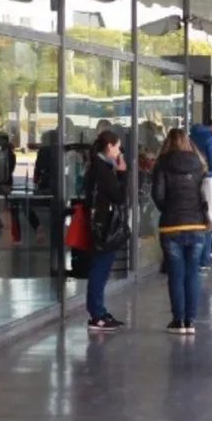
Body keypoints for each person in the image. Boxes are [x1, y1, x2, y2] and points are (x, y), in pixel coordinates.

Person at [152, 129, 208, 335]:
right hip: (197, 226)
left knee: (176, 275)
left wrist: (169, 210)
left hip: (171, 225)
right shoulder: (199, 163)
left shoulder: (162, 164)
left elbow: (158, 195)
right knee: (192, 274)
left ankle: (178, 321)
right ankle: (190, 320)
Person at [83, 130, 129, 331]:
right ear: (109, 146)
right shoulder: (102, 169)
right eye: (117, 147)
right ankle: (97, 314)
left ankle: (98, 310)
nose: (119, 151)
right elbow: (118, 196)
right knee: (100, 269)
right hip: (103, 226)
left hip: (98, 223)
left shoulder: (96, 166)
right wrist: (122, 173)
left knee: (100, 268)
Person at [187, 119, 212, 271]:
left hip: (191, 181)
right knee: (209, 220)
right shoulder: (211, 138)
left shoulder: (191, 136)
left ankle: (194, 258)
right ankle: (204, 258)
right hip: (207, 181)